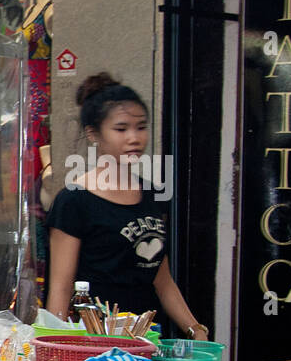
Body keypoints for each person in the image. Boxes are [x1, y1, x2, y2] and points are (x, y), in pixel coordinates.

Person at [45, 73, 207, 339]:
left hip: (146, 339)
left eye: (141, 127)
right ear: (93, 134)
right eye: (121, 129)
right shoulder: (74, 200)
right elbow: (61, 289)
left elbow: (161, 279)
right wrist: (55, 349)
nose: (134, 138)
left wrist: (195, 329)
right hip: (93, 341)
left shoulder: (154, 194)